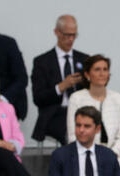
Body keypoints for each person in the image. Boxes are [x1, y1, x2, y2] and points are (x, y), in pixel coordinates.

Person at [30, 14, 88, 146]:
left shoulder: (84, 59)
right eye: (66, 35)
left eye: (74, 35)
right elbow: (38, 98)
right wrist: (61, 87)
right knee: (72, 130)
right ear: (56, 32)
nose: (70, 39)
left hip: (82, 111)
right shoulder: (42, 62)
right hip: (56, 113)